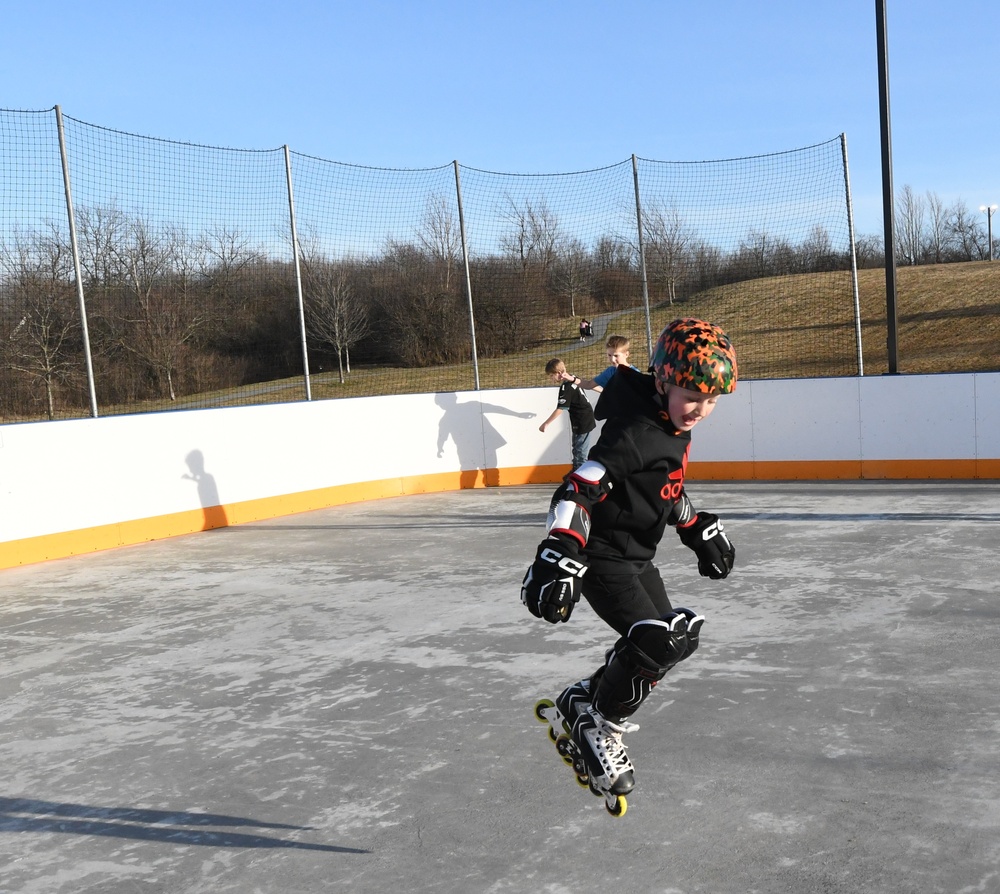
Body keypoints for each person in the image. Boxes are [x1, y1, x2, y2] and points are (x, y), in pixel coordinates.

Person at [520, 318, 738, 813]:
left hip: (638, 559)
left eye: (711, 401)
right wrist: (560, 548)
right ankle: (598, 725)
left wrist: (693, 526)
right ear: (662, 381)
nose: (700, 410)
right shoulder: (636, 431)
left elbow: (665, 487)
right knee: (657, 641)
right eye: (692, 396)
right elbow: (581, 484)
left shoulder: (669, 423)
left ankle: (585, 702)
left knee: (673, 643)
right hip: (602, 560)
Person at [538, 358, 597, 470]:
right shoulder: (573, 378)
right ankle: (575, 471)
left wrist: (546, 423)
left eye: (551, 376)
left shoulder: (566, 387)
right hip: (581, 418)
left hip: (582, 419)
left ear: (559, 373)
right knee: (576, 448)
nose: (551, 379)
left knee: (580, 451)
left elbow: (560, 408)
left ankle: (581, 477)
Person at [561, 334, 637, 393]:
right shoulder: (610, 372)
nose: (612, 359)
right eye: (609, 355)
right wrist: (571, 378)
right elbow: (588, 385)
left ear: (626, 354)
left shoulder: (635, 374)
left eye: (616, 355)